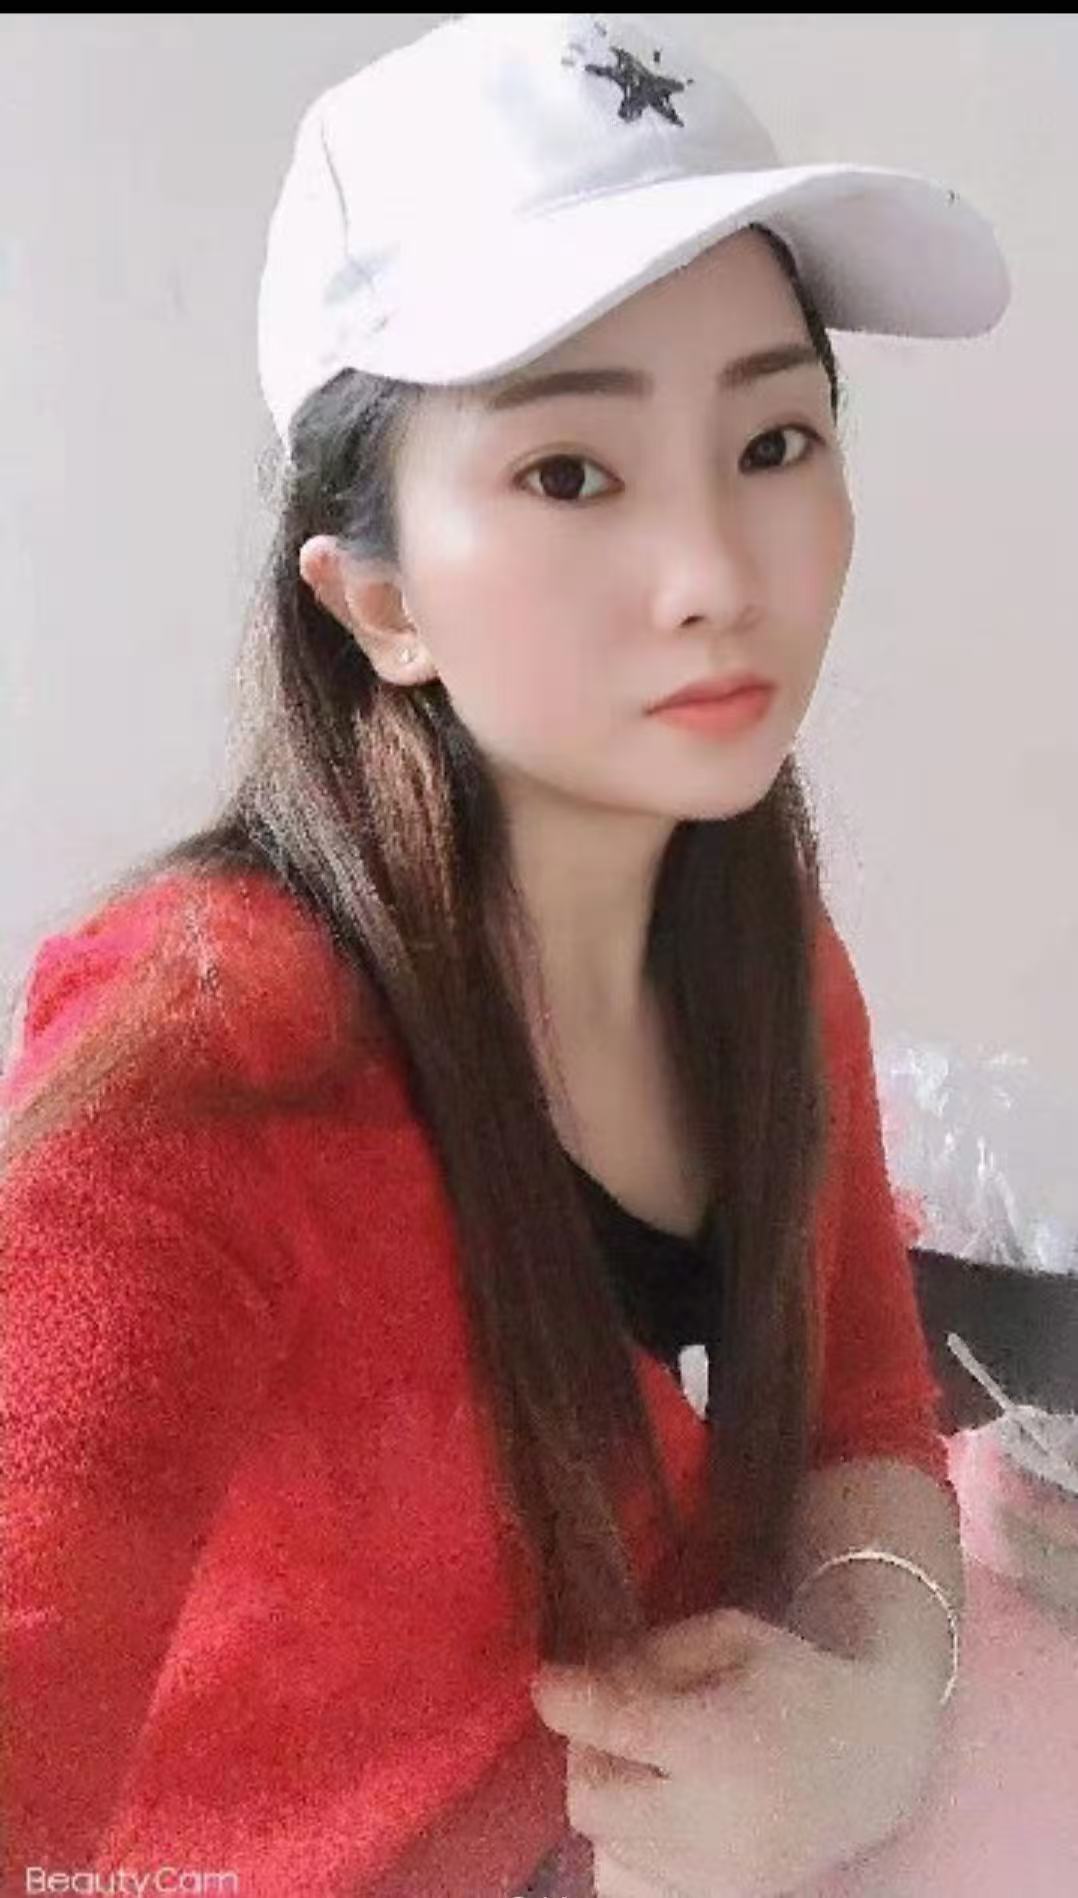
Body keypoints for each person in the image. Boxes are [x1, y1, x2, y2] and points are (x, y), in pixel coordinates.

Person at [1, 13, 1010, 1897]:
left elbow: (865, 1420)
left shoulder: (757, 938)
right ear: (375, 599)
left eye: (772, 440)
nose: (718, 571)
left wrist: (876, 1711)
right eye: (568, 473)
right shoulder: (208, 1061)